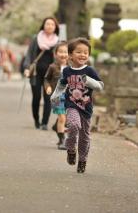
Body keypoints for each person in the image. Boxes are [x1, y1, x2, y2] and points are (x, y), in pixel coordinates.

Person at [56, 37, 104, 173]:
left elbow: (100, 86)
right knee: (73, 125)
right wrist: (54, 97)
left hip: (86, 108)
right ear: (70, 55)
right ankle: (71, 149)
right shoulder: (66, 71)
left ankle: (82, 160)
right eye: (79, 52)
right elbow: (61, 85)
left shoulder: (90, 71)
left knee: (84, 137)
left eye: (85, 52)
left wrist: (88, 80)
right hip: (71, 105)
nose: (83, 55)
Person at [24, 17, 59, 130]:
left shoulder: (57, 42)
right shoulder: (36, 38)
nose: (49, 26)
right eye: (47, 24)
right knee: (36, 97)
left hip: (50, 75)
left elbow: (61, 58)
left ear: (55, 27)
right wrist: (26, 68)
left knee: (48, 97)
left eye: (52, 25)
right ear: (43, 25)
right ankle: (36, 120)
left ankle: (44, 123)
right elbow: (29, 54)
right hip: (36, 73)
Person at [44, 41, 68, 149]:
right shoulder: (52, 67)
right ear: (55, 54)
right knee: (62, 118)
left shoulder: (72, 67)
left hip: (69, 96)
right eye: (61, 52)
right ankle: (62, 141)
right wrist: (48, 87)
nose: (63, 54)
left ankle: (56, 126)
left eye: (66, 52)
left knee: (65, 118)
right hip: (57, 96)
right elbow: (46, 79)